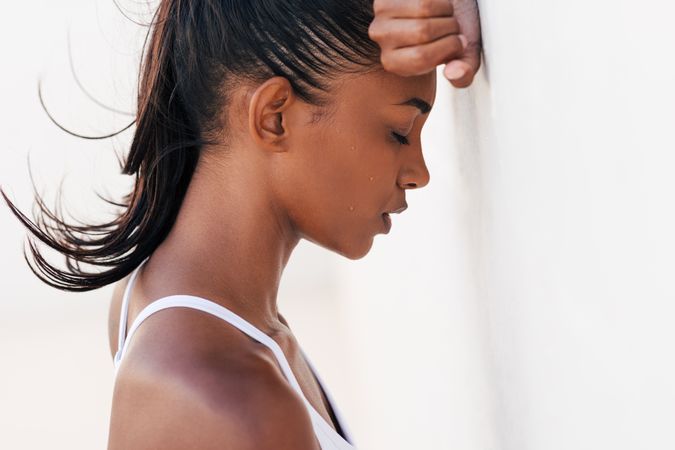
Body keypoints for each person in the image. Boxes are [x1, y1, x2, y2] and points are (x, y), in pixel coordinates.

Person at [2, 0, 478, 448]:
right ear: (274, 117)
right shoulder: (241, 404)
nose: (419, 173)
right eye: (399, 133)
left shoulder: (156, 297)